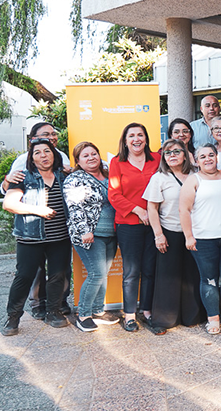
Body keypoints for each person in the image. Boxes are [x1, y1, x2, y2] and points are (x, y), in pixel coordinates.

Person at [1, 122, 72, 320]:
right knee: (24, 277)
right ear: (31, 157)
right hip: (30, 238)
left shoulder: (63, 176)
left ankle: (53, 311)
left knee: (58, 276)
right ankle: (13, 317)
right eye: (38, 152)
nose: (43, 155)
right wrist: (38, 210)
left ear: (54, 154)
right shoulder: (23, 176)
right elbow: (9, 204)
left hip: (60, 237)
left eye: (47, 151)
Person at [143, 139, 204, 333]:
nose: (173, 155)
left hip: (195, 233)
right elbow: (152, 208)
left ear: (185, 154)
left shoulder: (196, 175)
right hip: (169, 232)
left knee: (191, 276)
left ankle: (192, 316)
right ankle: (165, 319)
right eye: (168, 153)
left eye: (177, 151)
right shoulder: (159, 178)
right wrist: (158, 235)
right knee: (168, 278)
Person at [179, 144, 221, 335]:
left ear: (217, 157)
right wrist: (188, 236)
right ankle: (213, 318)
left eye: (211, 155)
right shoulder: (193, 180)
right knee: (209, 279)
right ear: (196, 161)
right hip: (203, 239)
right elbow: (184, 210)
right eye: (203, 156)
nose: (208, 159)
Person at [109, 123, 161, 333]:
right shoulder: (117, 162)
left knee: (150, 270)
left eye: (140, 135)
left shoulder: (157, 159)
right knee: (131, 272)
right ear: (125, 140)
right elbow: (114, 194)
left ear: (146, 139)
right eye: (132, 135)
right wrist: (138, 211)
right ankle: (129, 316)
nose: (136, 139)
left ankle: (147, 311)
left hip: (155, 224)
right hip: (128, 224)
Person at [64, 142, 119, 332]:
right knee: (96, 274)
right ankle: (83, 315)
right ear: (78, 161)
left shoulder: (109, 174)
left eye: (94, 153)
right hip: (90, 234)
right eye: (85, 155)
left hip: (111, 233)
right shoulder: (75, 179)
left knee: (103, 273)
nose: (91, 158)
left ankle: (97, 310)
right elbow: (74, 206)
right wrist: (84, 230)